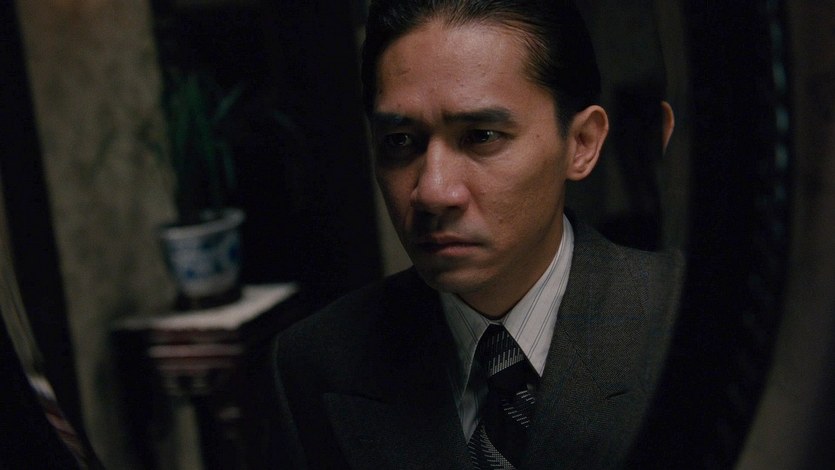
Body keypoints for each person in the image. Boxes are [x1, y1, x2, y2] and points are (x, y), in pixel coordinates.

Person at [272, 1, 683, 468]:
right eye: (400, 141)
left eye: (482, 135)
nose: (432, 191)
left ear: (581, 144)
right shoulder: (316, 362)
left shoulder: (686, 318)